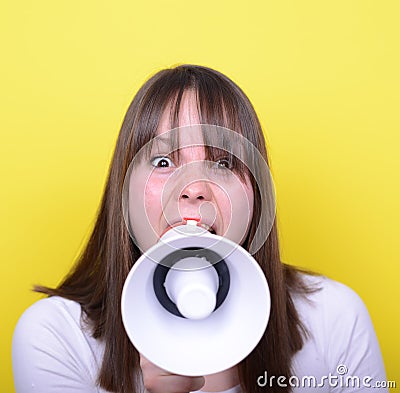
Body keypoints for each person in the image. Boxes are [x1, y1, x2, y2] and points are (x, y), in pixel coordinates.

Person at [12, 65, 387, 393]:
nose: (193, 188)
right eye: (162, 161)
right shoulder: (56, 337)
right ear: (124, 193)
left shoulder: (335, 317)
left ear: (255, 194)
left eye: (223, 163)